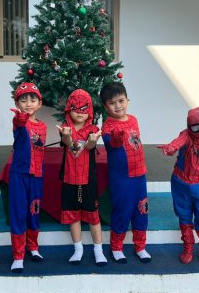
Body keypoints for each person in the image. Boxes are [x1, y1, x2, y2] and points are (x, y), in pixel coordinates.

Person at [158, 106, 199, 265]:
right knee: (184, 214)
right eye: (190, 124)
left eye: (195, 126)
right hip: (181, 182)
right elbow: (179, 141)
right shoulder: (186, 135)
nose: (191, 128)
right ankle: (188, 246)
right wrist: (171, 148)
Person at [100, 82, 151, 264]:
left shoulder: (134, 119)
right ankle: (116, 247)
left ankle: (140, 246)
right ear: (105, 106)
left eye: (121, 101)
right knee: (122, 211)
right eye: (112, 103)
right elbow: (112, 145)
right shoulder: (107, 128)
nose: (118, 106)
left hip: (140, 175)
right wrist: (116, 138)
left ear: (128, 100)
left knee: (142, 210)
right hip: (122, 179)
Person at [56, 89, 107, 266]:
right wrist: (67, 136)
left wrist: (92, 141)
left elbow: (89, 147)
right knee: (73, 217)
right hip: (69, 179)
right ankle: (78, 249)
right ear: (68, 109)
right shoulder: (65, 128)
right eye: (75, 108)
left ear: (90, 110)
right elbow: (71, 147)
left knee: (93, 217)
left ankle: (98, 250)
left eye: (84, 108)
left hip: (88, 179)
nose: (79, 112)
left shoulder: (93, 129)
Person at [9, 82, 46, 273]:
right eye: (23, 100)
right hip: (19, 176)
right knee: (18, 213)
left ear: (40, 103)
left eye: (33, 99)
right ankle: (18, 255)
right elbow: (19, 124)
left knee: (34, 212)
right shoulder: (19, 121)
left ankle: (33, 247)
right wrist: (20, 118)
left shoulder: (43, 126)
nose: (28, 103)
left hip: (37, 176)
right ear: (17, 104)